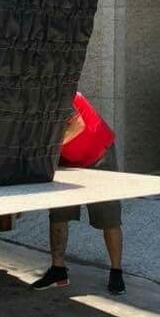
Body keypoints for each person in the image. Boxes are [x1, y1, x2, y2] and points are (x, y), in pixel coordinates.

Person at [31, 93, 125, 294]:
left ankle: (116, 271)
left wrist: (48, 151)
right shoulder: (29, 102)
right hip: (66, 160)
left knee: (108, 216)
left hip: (98, 155)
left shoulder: (58, 92)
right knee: (58, 214)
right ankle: (58, 270)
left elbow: (77, 126)